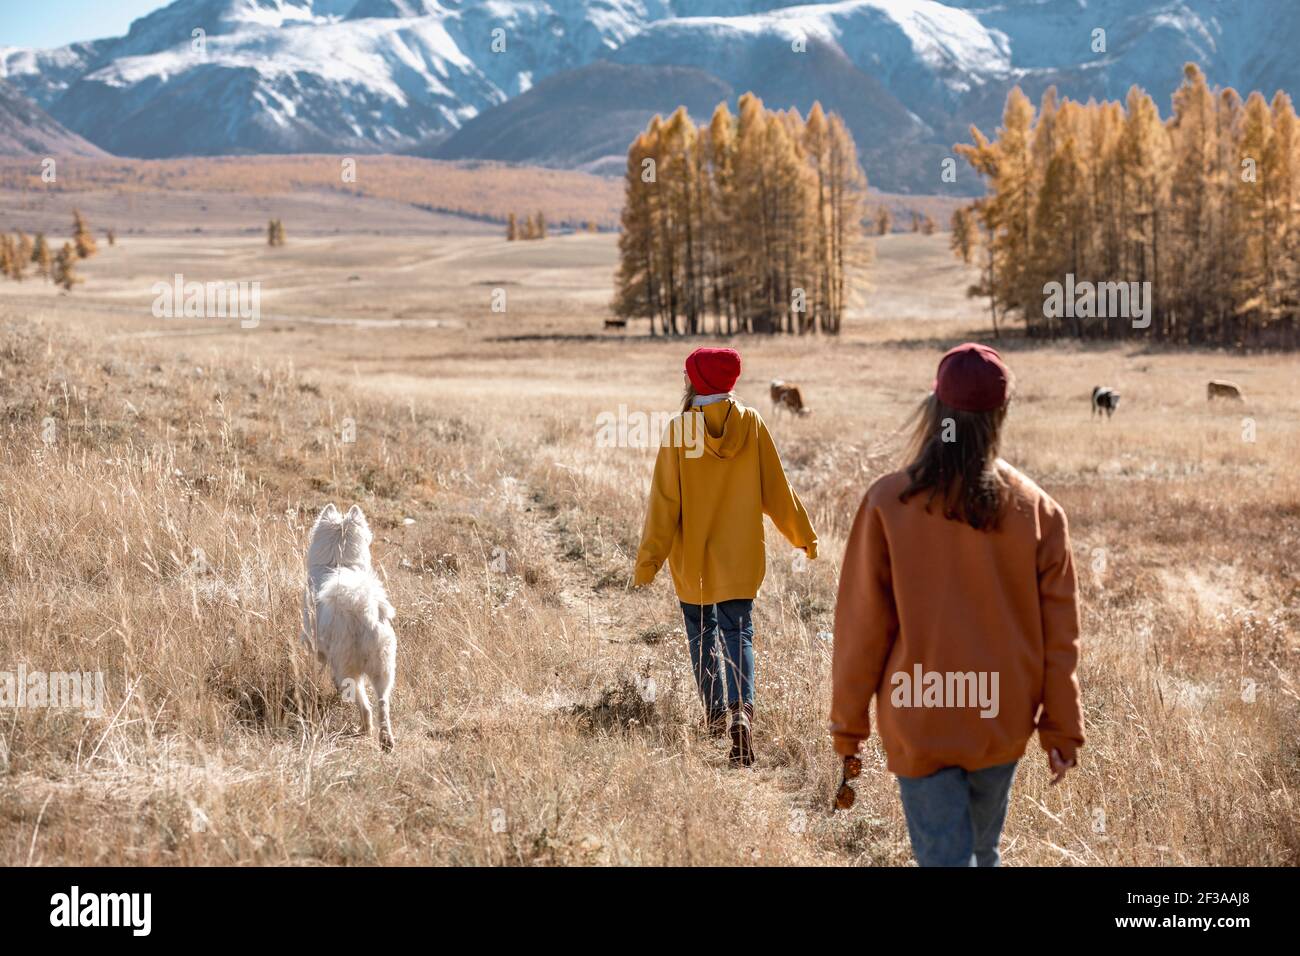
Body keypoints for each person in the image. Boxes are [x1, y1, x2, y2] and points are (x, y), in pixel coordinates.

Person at [830, 343, 1083, 865]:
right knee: (980, 853)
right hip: (1000, 715)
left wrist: (849, 728)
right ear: (1001, 415)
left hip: (920, 714)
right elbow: (1061, 636)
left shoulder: (888, 502)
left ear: (934, 410)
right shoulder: (1039, 511)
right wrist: (1060, 726)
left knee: (947, 858)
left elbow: (862, 629)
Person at [634, 347, 817, 766]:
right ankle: (742, 714)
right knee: (738, 633)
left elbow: (664, 504)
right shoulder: (751, 424)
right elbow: (778, 491)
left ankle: (716, 717)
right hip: (739, 559)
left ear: (693, 381)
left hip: (692, 561)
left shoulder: (681, 430)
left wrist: (648, 562)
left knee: (702, 635)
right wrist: (802, 535)